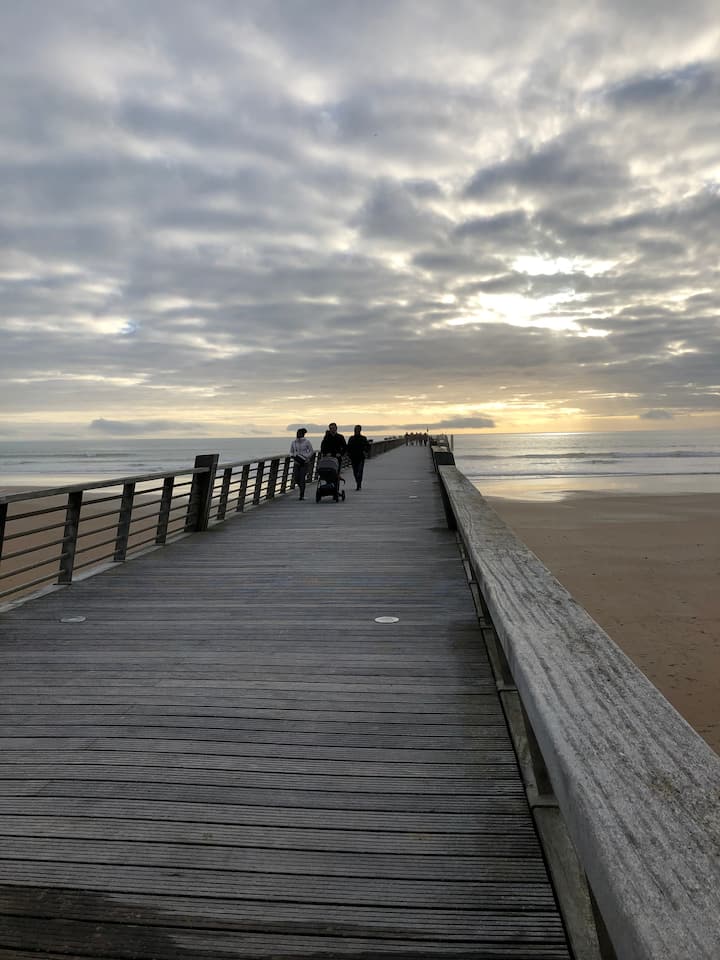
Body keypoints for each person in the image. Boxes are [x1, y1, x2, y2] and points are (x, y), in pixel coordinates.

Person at [289, 428, 314, 500]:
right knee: (296, 478)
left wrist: (306, 457)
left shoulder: (307, 442)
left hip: (304, 462)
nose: (297, 434)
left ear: (303, 434)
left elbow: (311, 451)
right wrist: (292, 456)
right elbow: (291, 451)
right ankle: (301, 488)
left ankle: (301, 495)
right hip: (296, 462)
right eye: (297, 433)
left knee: (302, 478)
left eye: (299, 433)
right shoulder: (294, 442)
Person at [347, 424, 370, 490]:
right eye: (355, 429)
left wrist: (365, 452)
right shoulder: (351, 438)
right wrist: (349, 455)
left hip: (361, 457)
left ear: (360, 430)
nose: (356, 430)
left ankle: (358, 484)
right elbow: (348, 447)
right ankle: (358, 482)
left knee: (360, 471)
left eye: (357, 429)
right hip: (353, 457)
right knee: (355, 472)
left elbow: (368, 446)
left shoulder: (363, 438)